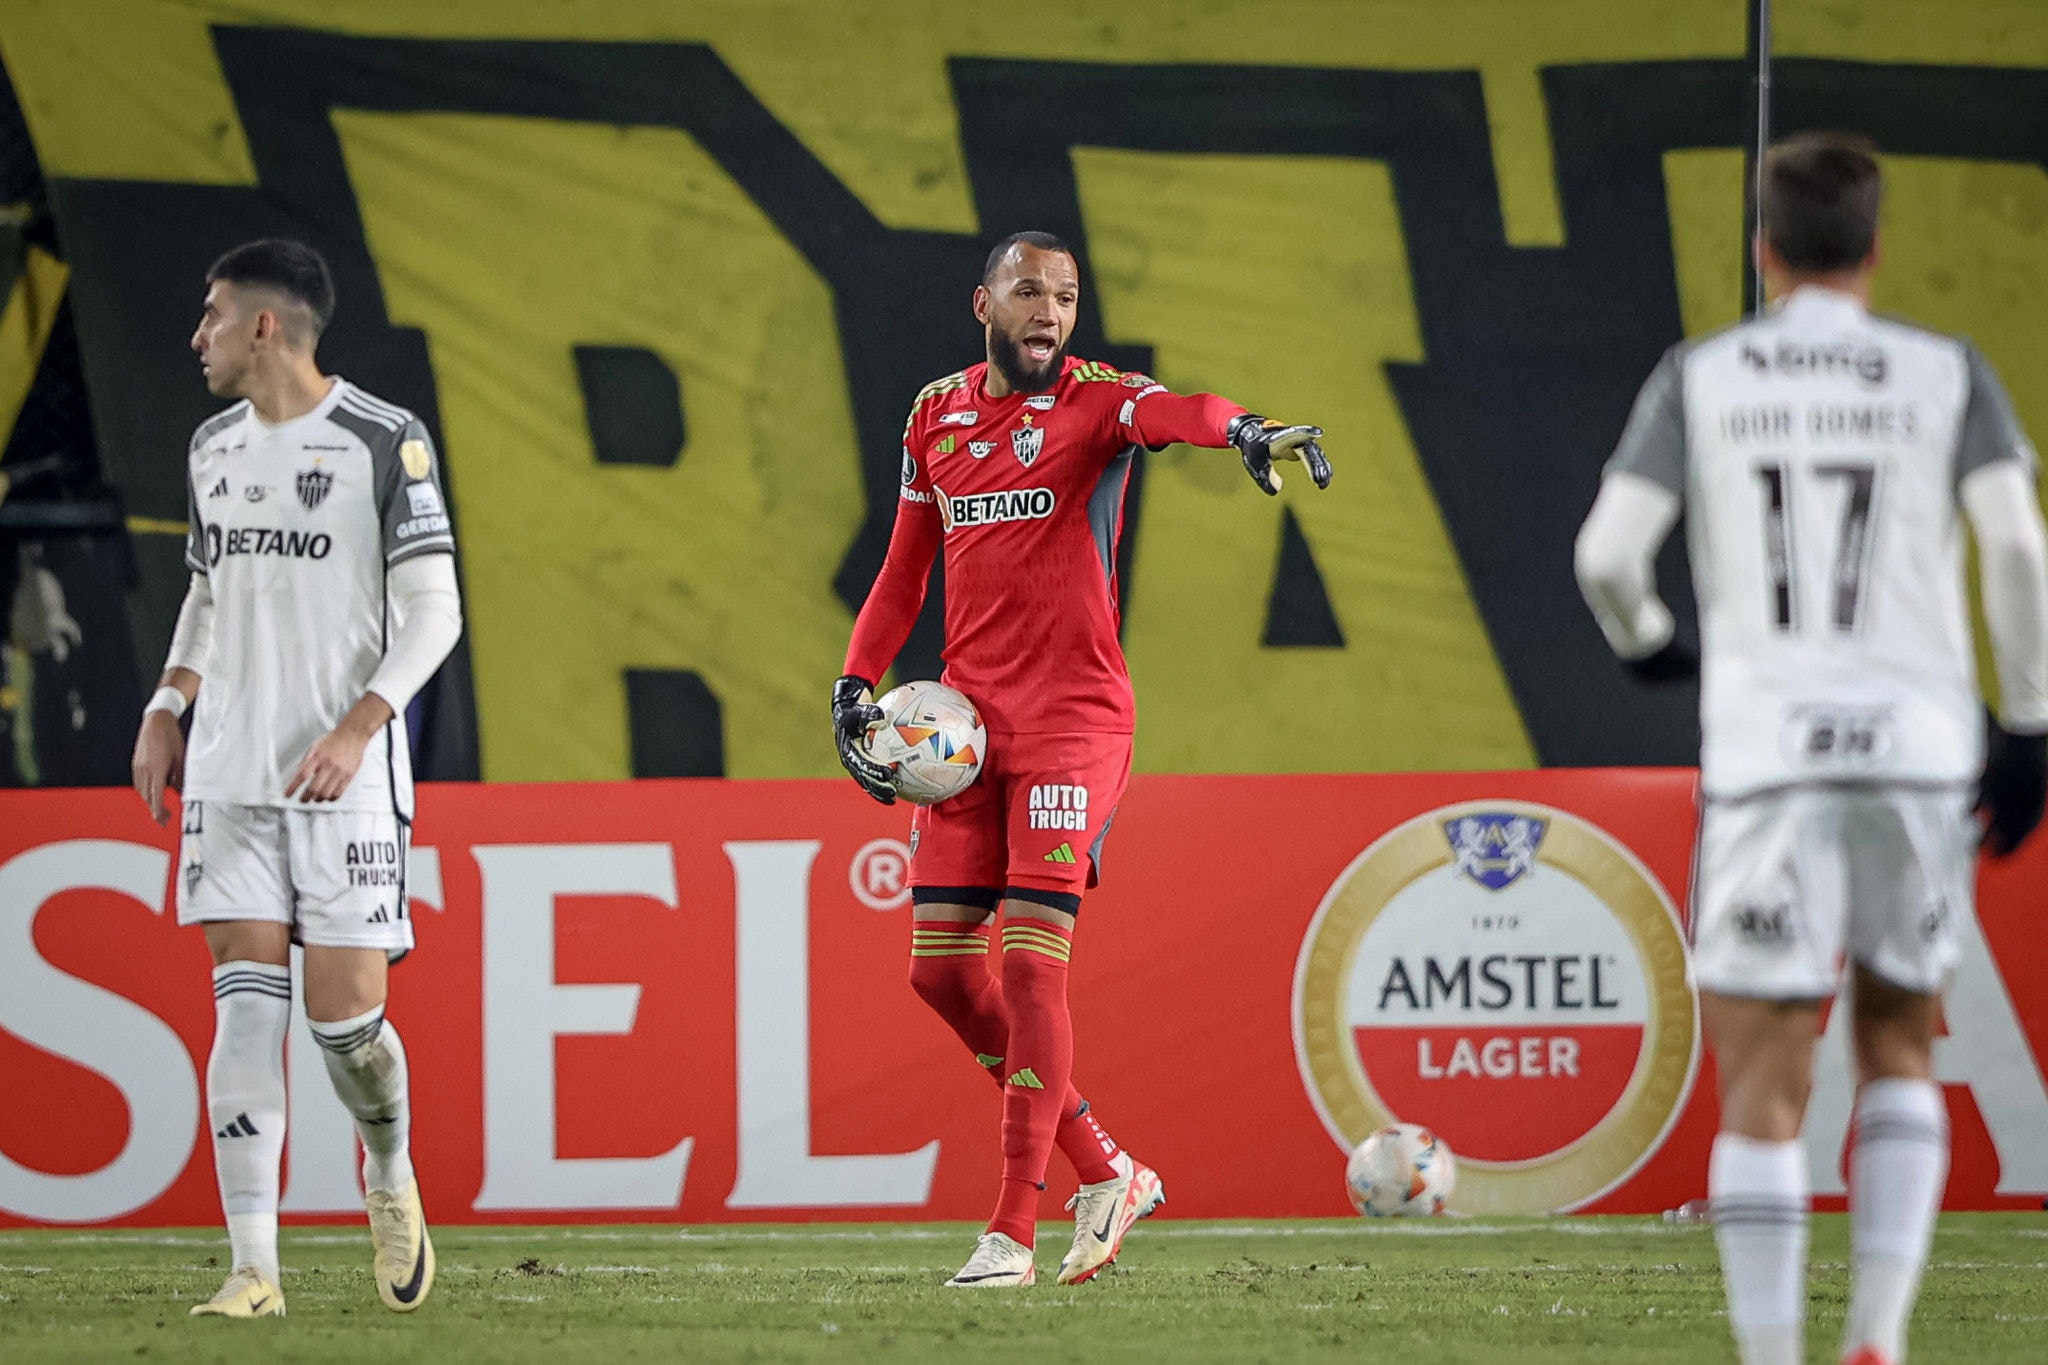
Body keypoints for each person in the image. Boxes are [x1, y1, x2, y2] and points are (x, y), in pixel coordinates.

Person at [1575, 133, 2048, 1365]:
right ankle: (1878, 1338)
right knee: (1898, 1043)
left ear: (1761, 250)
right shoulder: (1945, 373)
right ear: (1876, 249)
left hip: (1767, 758)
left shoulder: (1703, 375)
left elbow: (1606, 559)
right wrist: (2029, 723)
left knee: (1763, 1087)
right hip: (1913, 750)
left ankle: (1776, 1353)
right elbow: (2014, 549)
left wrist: (1648, 644)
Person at [832, 230, 1331, 1288]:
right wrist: (854, 680)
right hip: (965, 732)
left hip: (1074, 721)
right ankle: (1104, 1167)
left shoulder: (1097, 402)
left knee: (1026, 961)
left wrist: (1238, 428)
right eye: (1027, 292)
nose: (1048, 311)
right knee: (936, 971)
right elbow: (902, 568)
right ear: (984, 304)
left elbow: (1177, 413)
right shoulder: (934, 414)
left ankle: (1011, 1226)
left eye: (1063, 295)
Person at [130, 239, 464, 1319]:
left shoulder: (382, 440)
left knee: (347, 1029)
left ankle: (386, 1168)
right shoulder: (213, 445)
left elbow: (433, 613)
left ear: (265, 326)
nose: (199, 337)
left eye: (213, 316)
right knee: (242, 1010)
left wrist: (360, 726)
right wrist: (167, 703)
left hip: (342, 781)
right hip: (229, 773)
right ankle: (253, 1269)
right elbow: (207, 592)